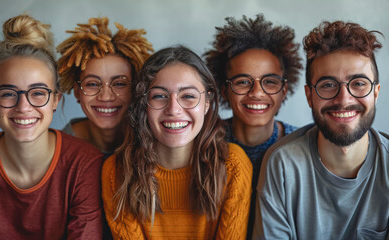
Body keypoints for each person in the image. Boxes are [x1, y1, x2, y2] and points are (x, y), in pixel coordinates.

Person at [254, 20, 389, 239]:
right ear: (309, 96)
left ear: (376, 92)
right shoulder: (282, 163)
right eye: (328, 85)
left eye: (359, 83)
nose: (343, 99)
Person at [0, 14, 104, 239]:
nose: (23, 107)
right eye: (8, 94)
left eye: (38, 93)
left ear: (55, 101)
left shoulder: (85, 164)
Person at [102, 46, 252, 239]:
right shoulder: (116, 171)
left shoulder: (233, 165)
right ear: (143, 104)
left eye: (188, 96)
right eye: (159, 96)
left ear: (207, 103)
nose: (173, 109)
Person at [204, 14, 303, 238]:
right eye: (242, 82)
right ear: (223, 90)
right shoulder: (202, 142)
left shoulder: (302, 147)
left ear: (284, 90)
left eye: (270, 82)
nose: (257, 92)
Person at [57, 17, 153, 158]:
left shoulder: (153, 144)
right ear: (78, 92)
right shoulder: (58, 150)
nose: (106, 96)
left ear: (135, 90)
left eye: (119, 84)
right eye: (93, 84)